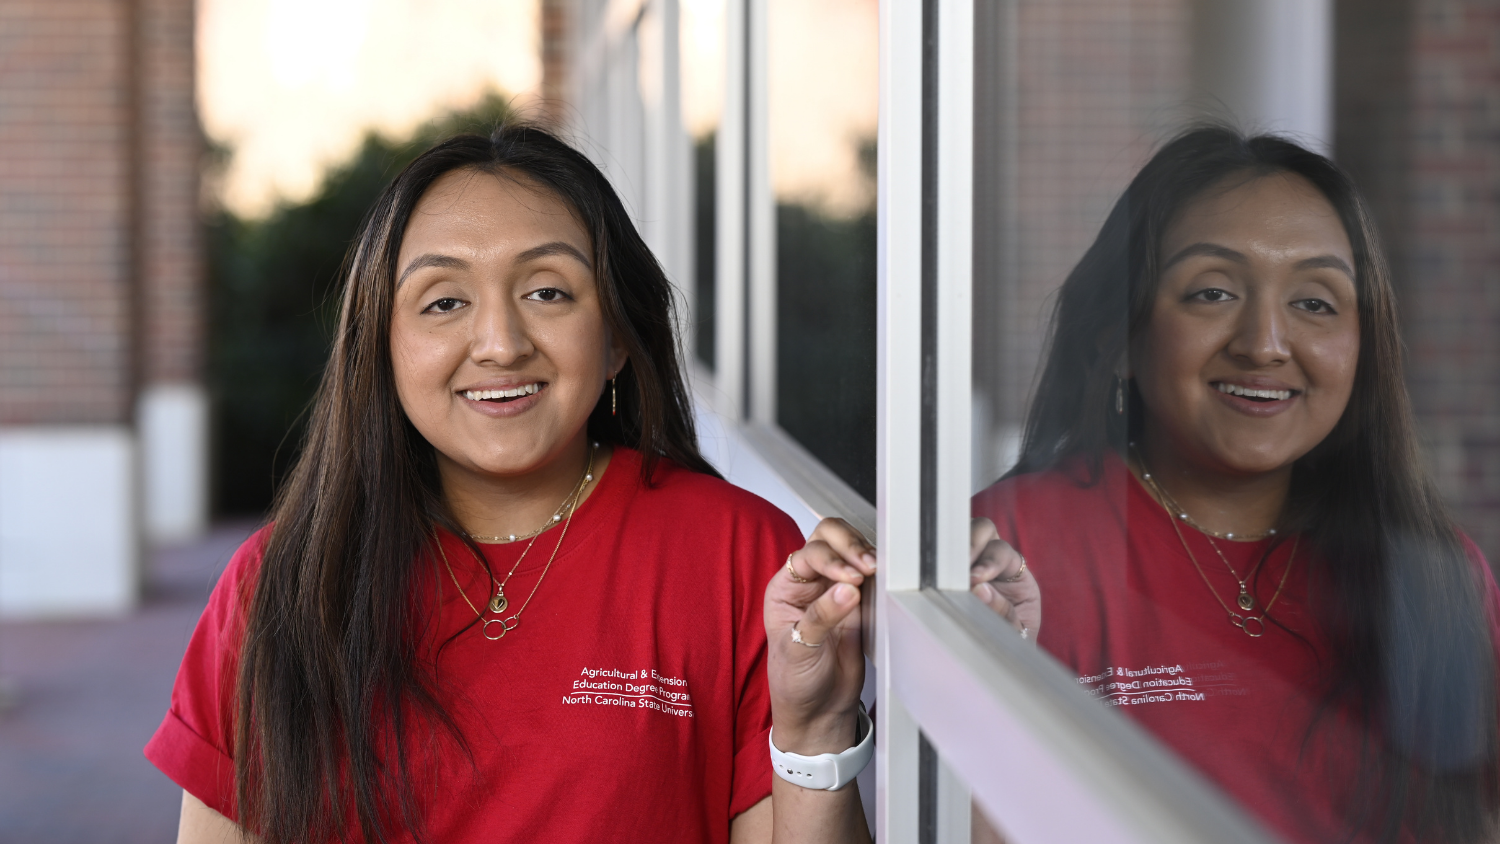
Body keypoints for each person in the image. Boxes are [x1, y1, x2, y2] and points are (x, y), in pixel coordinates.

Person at [144, 125, 875, 844]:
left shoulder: (737, 555)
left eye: (549, 292)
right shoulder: (279, 585)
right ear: (382, 347)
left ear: (617, 335)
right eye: (444, 302)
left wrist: (816, 733)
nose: (500, 344)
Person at [963, 126, 1500, 843]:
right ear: (1121, 337)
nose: (1265, 344)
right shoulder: (1011, 550)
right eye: (1212, 292)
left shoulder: (1438, 576)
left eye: (1315, 303)